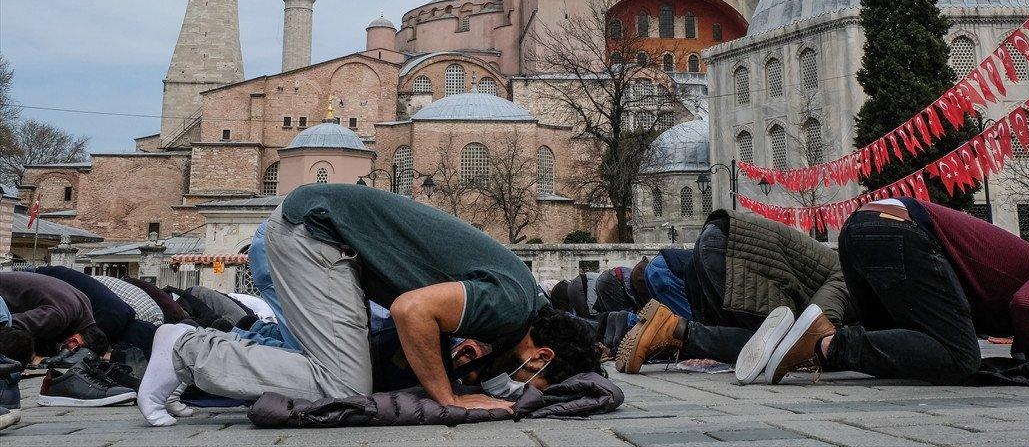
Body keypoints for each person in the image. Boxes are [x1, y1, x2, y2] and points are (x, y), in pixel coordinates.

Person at [137, 184, 602, 426]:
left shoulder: (514, 303)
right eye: (529, 382)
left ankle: (199, 355)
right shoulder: (510, 306)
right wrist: (449, 398)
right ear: (541, 357)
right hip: (315, 235)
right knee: (342, 383)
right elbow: (411, 311)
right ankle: (187, 350)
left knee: (336, 364)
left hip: (324, 235)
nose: (516, 388)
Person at [761, 198, 1029, 386]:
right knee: (962, 360)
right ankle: (822, 343)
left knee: (895, 352)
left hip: (860, 228)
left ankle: (776, 347)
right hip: (901, 231)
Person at [615, 210, 853, 381]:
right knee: (775, 346)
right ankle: (673, 330)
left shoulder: (844, 269)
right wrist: (823, 348)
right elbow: (816, 326)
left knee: (763, 342)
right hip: (735, 252)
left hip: (720, 238)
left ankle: (669, 330)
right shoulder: (848, 277)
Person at [33, 267, 156, 356]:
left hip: (48, 276)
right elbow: (82, 344)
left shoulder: (125, 314)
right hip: (43, 281)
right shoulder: (110, 323)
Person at [0, 271, 108, 359]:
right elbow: (11, 327)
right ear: (75, 342)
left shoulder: (84, 307)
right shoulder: (58, 316)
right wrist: (31, 356)